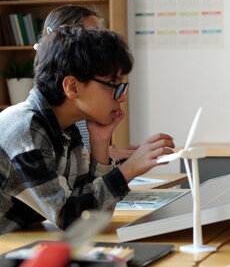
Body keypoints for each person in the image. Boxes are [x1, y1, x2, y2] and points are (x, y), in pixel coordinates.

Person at [0, 25, 174, 234]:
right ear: (72, 87)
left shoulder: (67, 129)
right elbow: (69, 218)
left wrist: (100, 143)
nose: (122, 97)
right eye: (113, 84)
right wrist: (128, 170)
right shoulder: (26, 130)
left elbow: (93, 215)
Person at [38, 4, 138, 162]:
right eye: (92, 36)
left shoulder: (71, 127)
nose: (101, 44)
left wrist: (103, 148)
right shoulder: (37, 127)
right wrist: (128, 167)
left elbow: (82, 182)